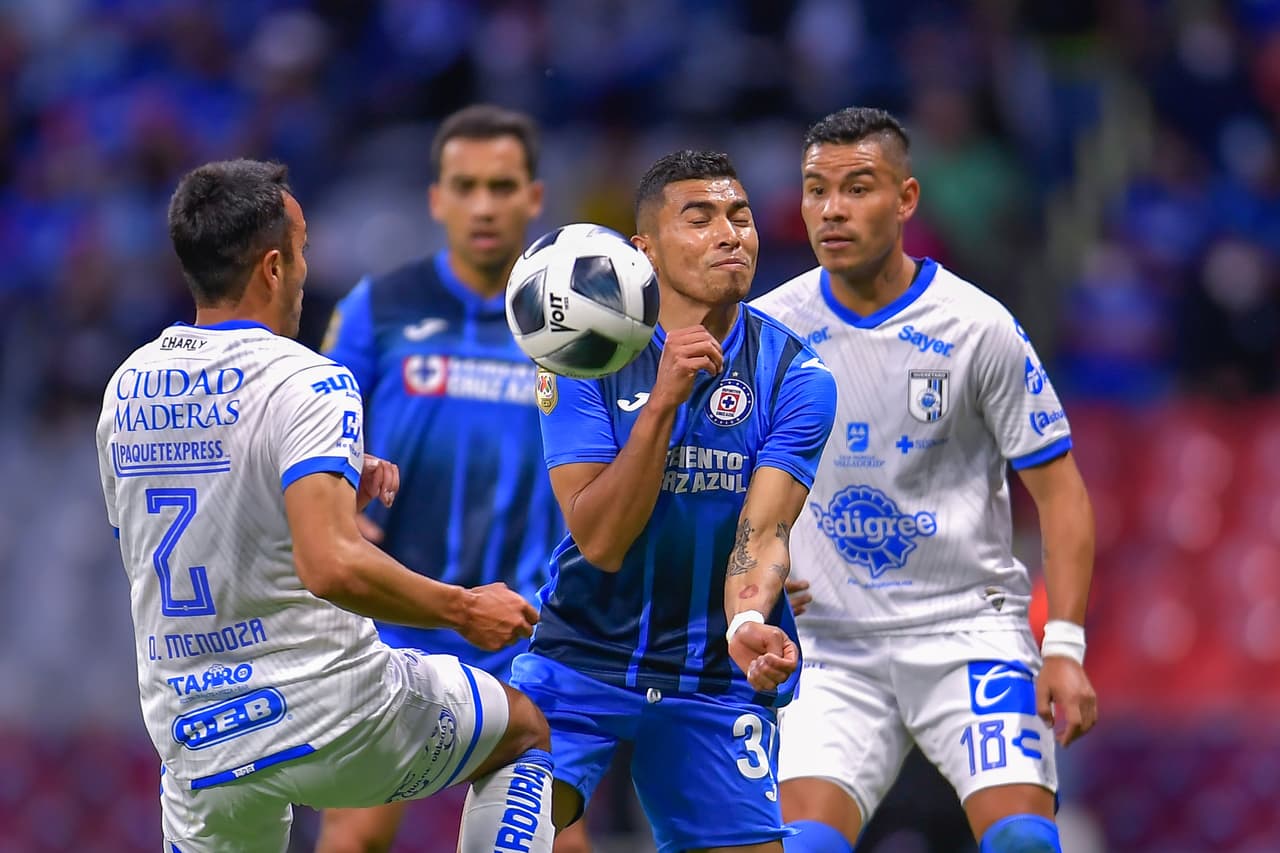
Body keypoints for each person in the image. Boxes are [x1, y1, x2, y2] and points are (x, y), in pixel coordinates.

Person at [95, 159, 556, 853]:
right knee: (524, 731)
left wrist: (317, 472)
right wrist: (464, 608)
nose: (309, 270)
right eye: (304, 250)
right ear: (274, 266)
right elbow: (332, 565)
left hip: (197, 735)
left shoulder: (126, 387)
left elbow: (183, 511)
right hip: (332, 711)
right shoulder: (310, 378)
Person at [751, 106, 1098, 853]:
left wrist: (1064, 645)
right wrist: (750, 591)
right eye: (816, 190)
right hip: (829, 644)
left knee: (1024, 844)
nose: (832, 209)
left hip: (968, 631)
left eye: (858, 187)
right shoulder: (768, 332)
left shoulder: (979, 327)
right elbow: (727, 492)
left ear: (907, 199)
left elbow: (1061, 493)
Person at [508, 150, 839, 853]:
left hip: (712, 678)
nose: (730, 233)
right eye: (701, 217)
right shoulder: (579, 355)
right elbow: (599, 539)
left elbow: (763, 532)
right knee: (505, 844)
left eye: (740, 216)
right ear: (644, 251)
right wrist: (662, 401)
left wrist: (747, 619)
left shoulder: (797, 375)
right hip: (580, 659)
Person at [317, 103, 582, 853]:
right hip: (399, 622)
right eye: (465, 186)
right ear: (436, 198)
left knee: (558, 836)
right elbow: (319, 434)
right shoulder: (381, 307)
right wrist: (343, 504)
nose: (484, 206)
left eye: (502, 187)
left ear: (535, 196)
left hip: (530, 625)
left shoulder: (575, 322)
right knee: (357, 831)